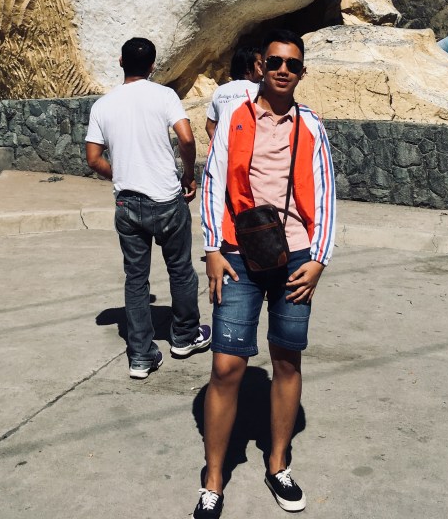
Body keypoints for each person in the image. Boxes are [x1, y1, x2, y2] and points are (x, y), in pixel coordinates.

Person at [194, 29, 336, 518]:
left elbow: (326, 192)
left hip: (296, 258)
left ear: (302, 72)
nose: (282, 70)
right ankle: (214, 479)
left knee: (287, 361)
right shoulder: (235, 117)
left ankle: (278, 464)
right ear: (260, 65)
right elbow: (213, 181)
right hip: (237, 255)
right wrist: (212, 248)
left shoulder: (311, 125)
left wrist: (318, 259)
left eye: (292, 64)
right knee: (225, 366)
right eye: (275, 61)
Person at [85, 37, 210, 379]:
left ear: (120, 62)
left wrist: (120, 174)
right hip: (167, 199)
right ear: (153, 66)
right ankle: (184, 337)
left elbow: (93, 158)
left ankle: (140, 356)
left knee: (136, 279)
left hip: (128, 202)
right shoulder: (164, 96)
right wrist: (189, 175)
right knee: (180, 271)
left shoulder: (103, 105)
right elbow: (186, 138)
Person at [205, 46, 263, 140]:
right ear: (248, 68)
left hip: (225, 148)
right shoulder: (261, 88)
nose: (263, 68)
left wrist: (220, 146)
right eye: (259, 64)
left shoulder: (220, 90)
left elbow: (210, 127)